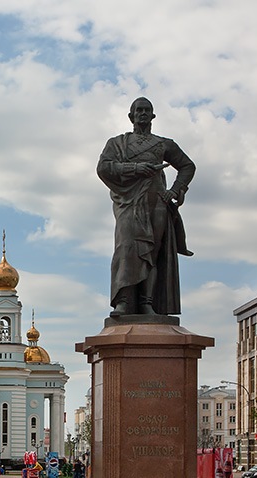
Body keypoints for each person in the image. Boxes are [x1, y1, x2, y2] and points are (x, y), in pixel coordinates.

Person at [97, 97, 195, 317]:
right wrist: (136, 168)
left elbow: (187, 166)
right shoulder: (117, 143)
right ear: (131, 116)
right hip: (129, 203)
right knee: (126, 248)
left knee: (152, 252)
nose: (142, 113)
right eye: (138, 110)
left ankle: (147, 303)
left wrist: (175, 190)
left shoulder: (163, 144)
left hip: (156, 203)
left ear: (153, 116)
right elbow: (104, 167)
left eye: (147, 110)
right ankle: (123, 301)